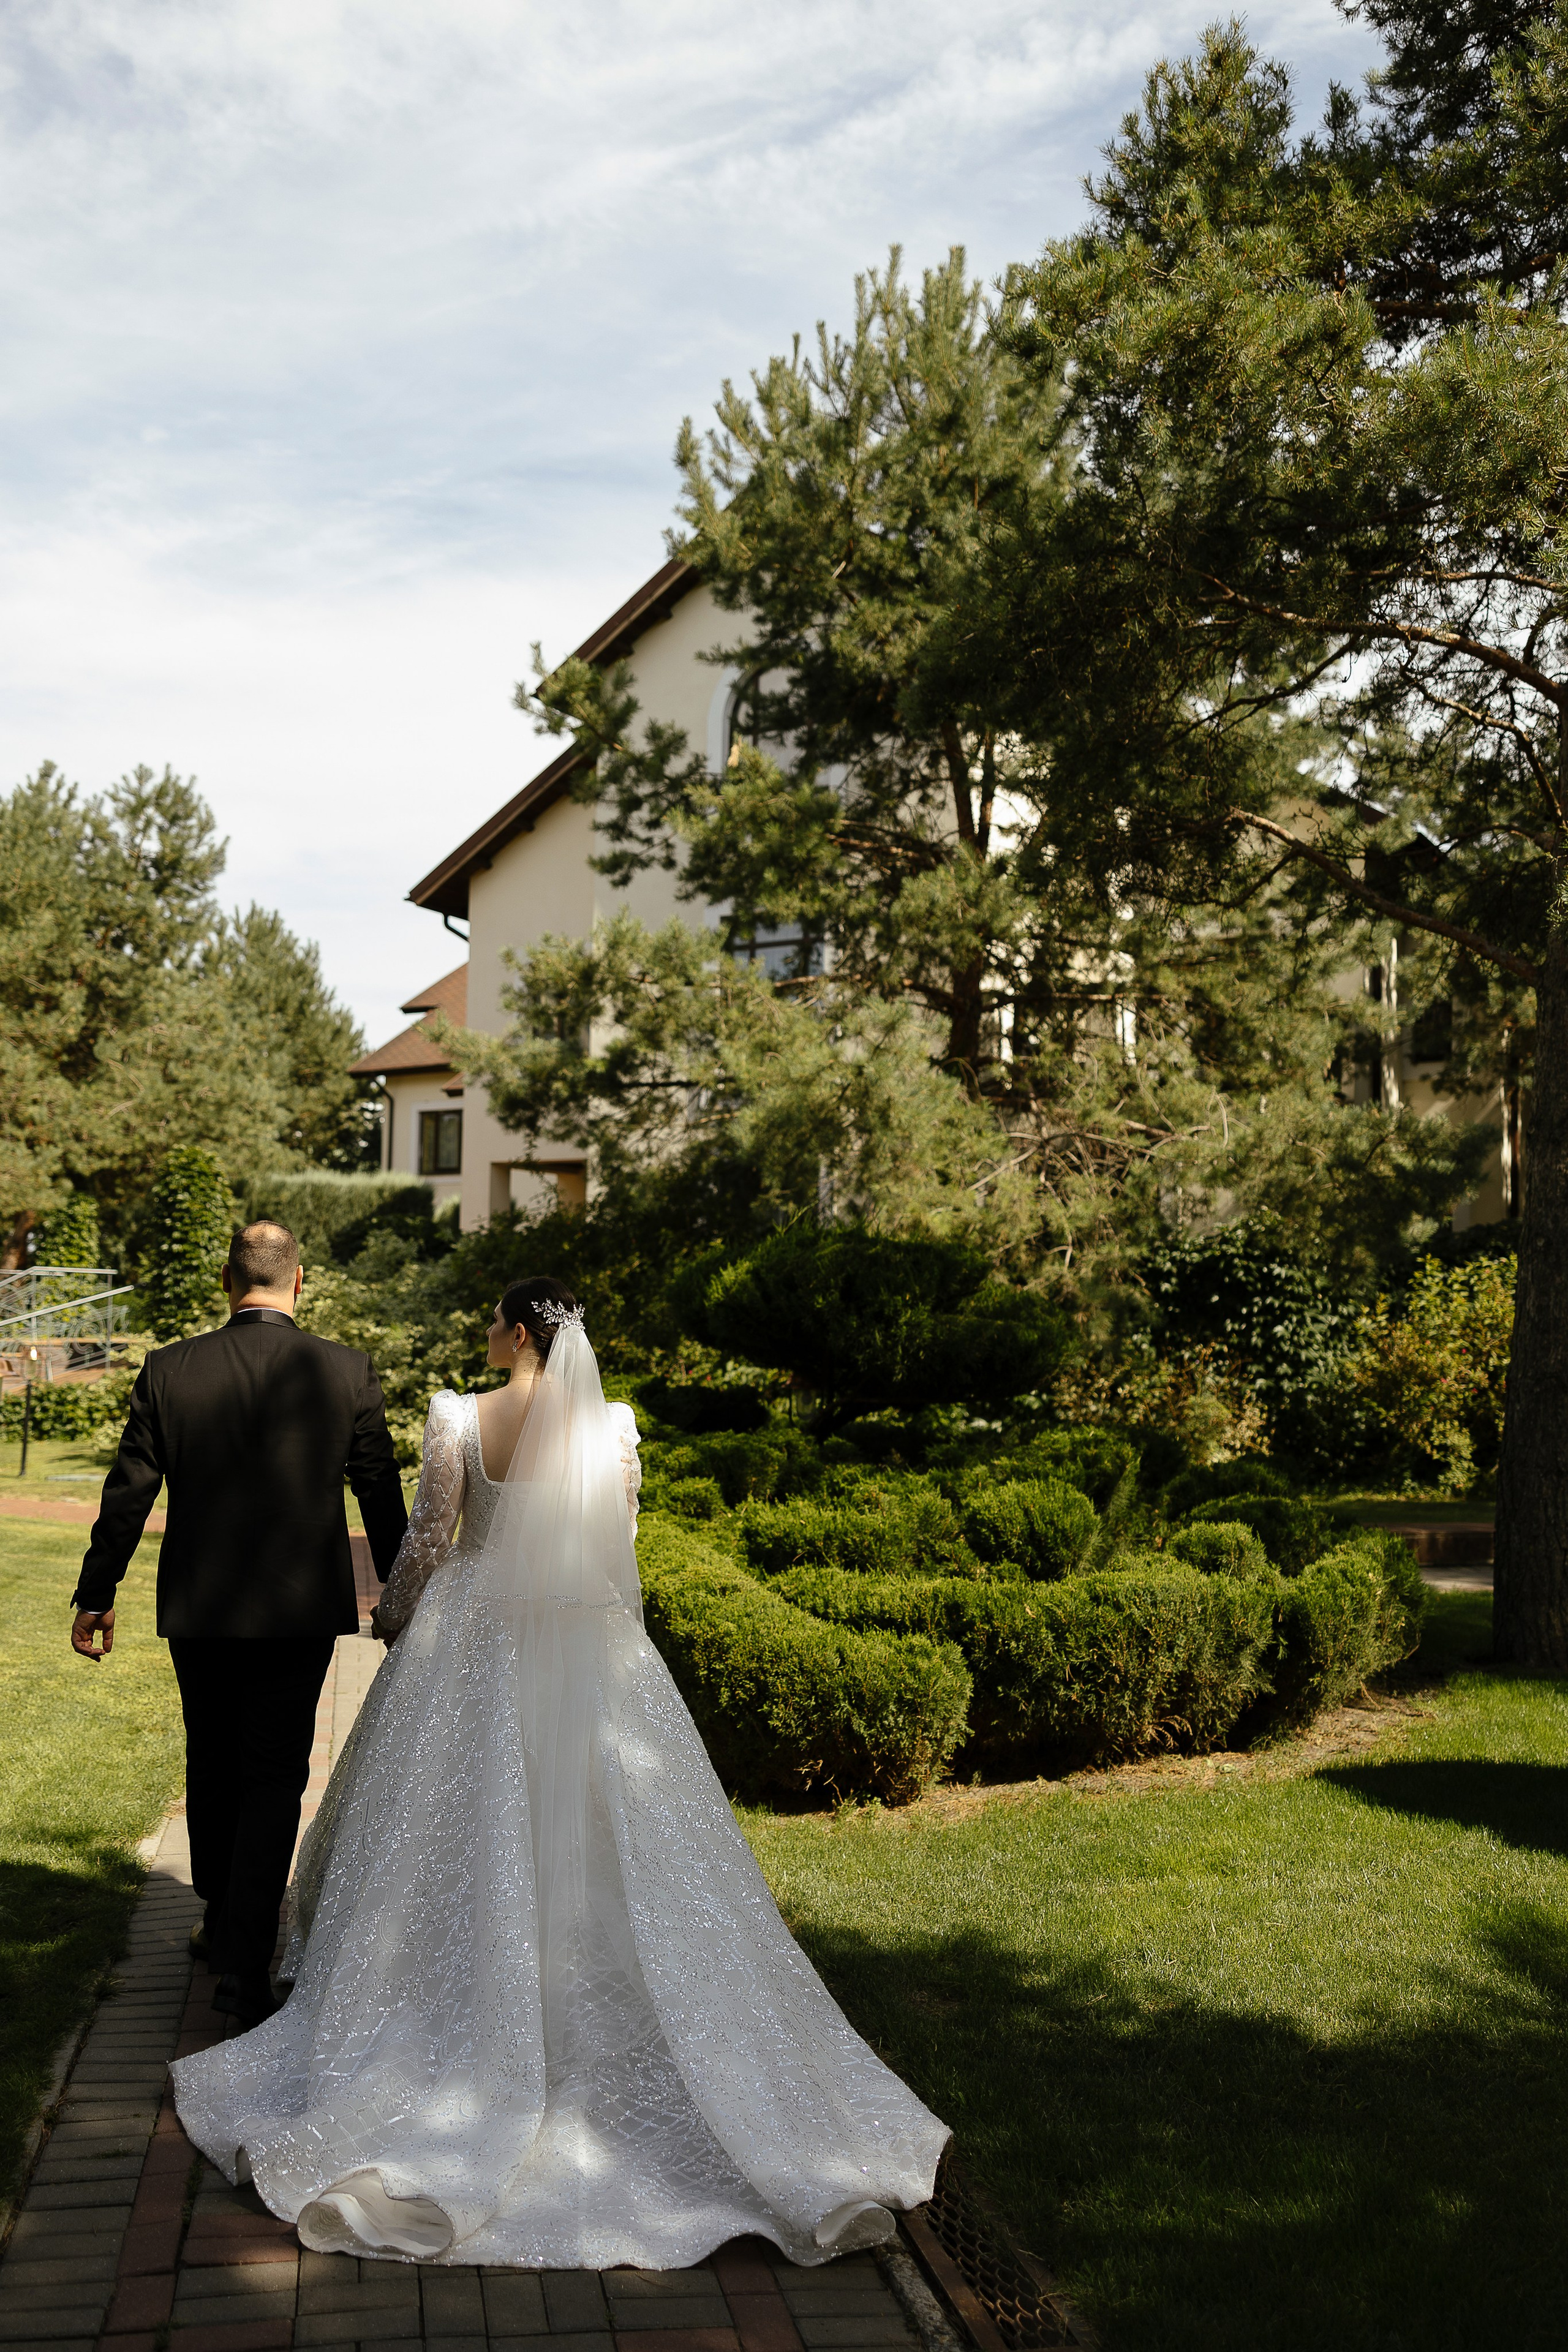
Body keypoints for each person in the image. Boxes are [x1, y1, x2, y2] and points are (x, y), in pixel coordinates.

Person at [168, 1277, 948, 2271]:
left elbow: (430, 1539)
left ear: (521, 1334)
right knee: (600, 1822)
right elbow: (617, 1541)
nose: (487, 1333)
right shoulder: (609, 1425)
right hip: (584, 1637)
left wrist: (395, 1619)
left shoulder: (459, 1417)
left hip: (471, 1633)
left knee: (447, 1829)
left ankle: (446, 2022)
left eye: (496, 1322)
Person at [71, 1219, 409, 2029]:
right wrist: (404, 1596)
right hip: (299, 1611)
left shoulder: (170, 1369)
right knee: (275, 1776)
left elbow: (129, 1493)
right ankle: (244, 1964)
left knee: (215, 1762)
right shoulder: (347, 1371)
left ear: (227, 1282)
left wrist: (97, 1591)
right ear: (299, 1282)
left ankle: (223, 1920)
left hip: (203, 1606)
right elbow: (380, 1494)